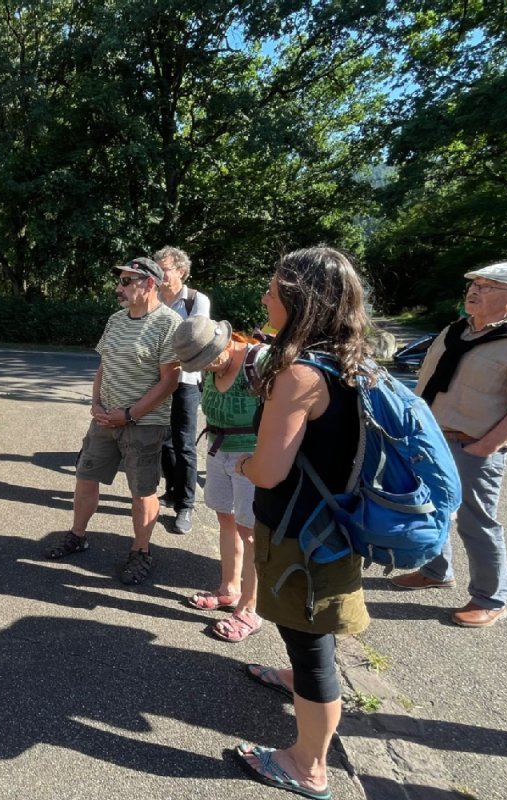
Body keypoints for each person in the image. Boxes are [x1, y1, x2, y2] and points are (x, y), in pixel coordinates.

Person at [229, 246, 372, 799]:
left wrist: (240, 461)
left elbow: (268, 470)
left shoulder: (300, 375)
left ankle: (307, 765)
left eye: (273, 289)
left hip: (300, 532)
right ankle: (296, 685)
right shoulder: (353, 361)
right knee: (309, 635)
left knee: (311, 646)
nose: (265, 297)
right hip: (335, 523)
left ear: (300, 299)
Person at [391, 262, 507, 628]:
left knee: (476, 521)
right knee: (429, 509)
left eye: (488, 286)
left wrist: (485, 447)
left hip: (474, 446)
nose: (475, 291)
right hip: (429, 439)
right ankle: (436, 570)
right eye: (475, 284)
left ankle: (490, 598)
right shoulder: (456, 331)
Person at [43, 257, 181, 585]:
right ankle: (77, 535)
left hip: (143, 424)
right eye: (120, 280)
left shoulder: (169, 323)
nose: (118, 287)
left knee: (142, 490)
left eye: (125, 281)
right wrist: (95, 403)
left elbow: (169, 381)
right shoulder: (116, 320)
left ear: (148, 284)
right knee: (85, 477)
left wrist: (131, 414)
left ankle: (141, 551)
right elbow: (104, 366)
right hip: (105, 419)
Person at [173, 317, 263, 642]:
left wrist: (263, 458)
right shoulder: (210, 365)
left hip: (251, 457)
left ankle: (249, 611)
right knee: (226, 518)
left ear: (223, 344)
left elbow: (286, 412)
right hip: (217, 450)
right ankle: (229, 590)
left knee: (251, 532)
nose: (202, 369)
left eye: (204, 361)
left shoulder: (258, 361)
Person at [155, 246, 211, 533]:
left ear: (180, 271)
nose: (159, 272)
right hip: (160, 379)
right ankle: (171, 491)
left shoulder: (196, 300)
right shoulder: (154, 297)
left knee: (184, 443)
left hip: (187, 381)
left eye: (163, 267)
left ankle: (186, 506)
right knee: (164, 441)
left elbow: (196, 339)